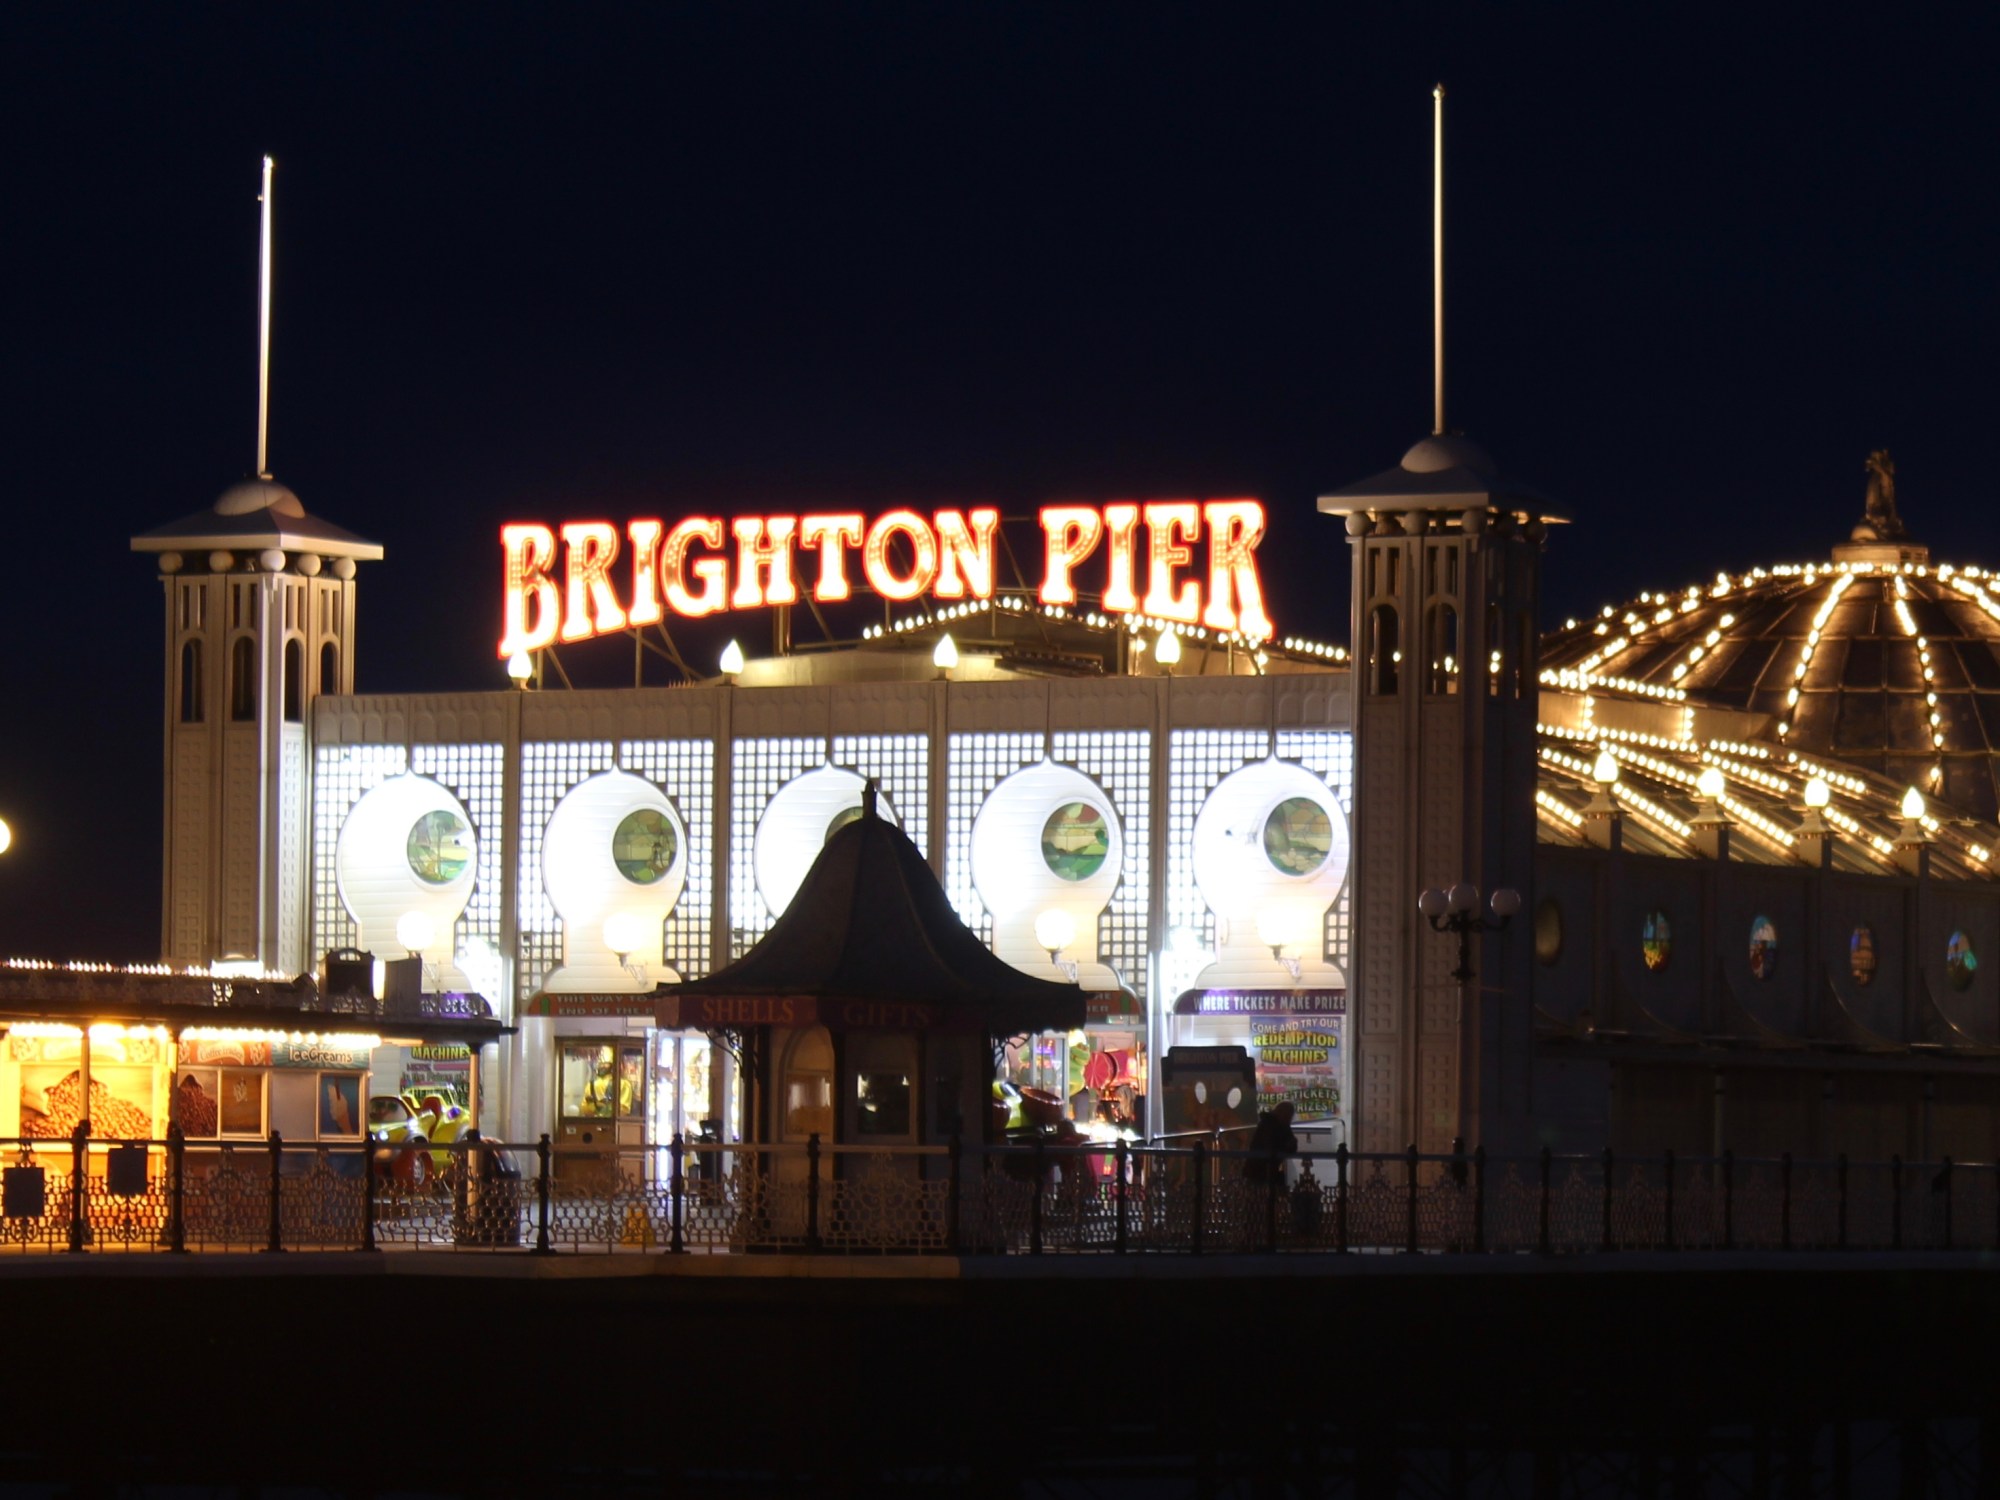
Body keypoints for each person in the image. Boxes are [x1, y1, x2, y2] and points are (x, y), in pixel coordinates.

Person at [1244, 1100, 1297, 1183]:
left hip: (1264, 1167)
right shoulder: (1269, 1125)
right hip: (1261, 1168)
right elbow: (1271, 1146)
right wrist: (1286, 1147)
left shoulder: (1277, 1125)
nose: (1289, 1118)